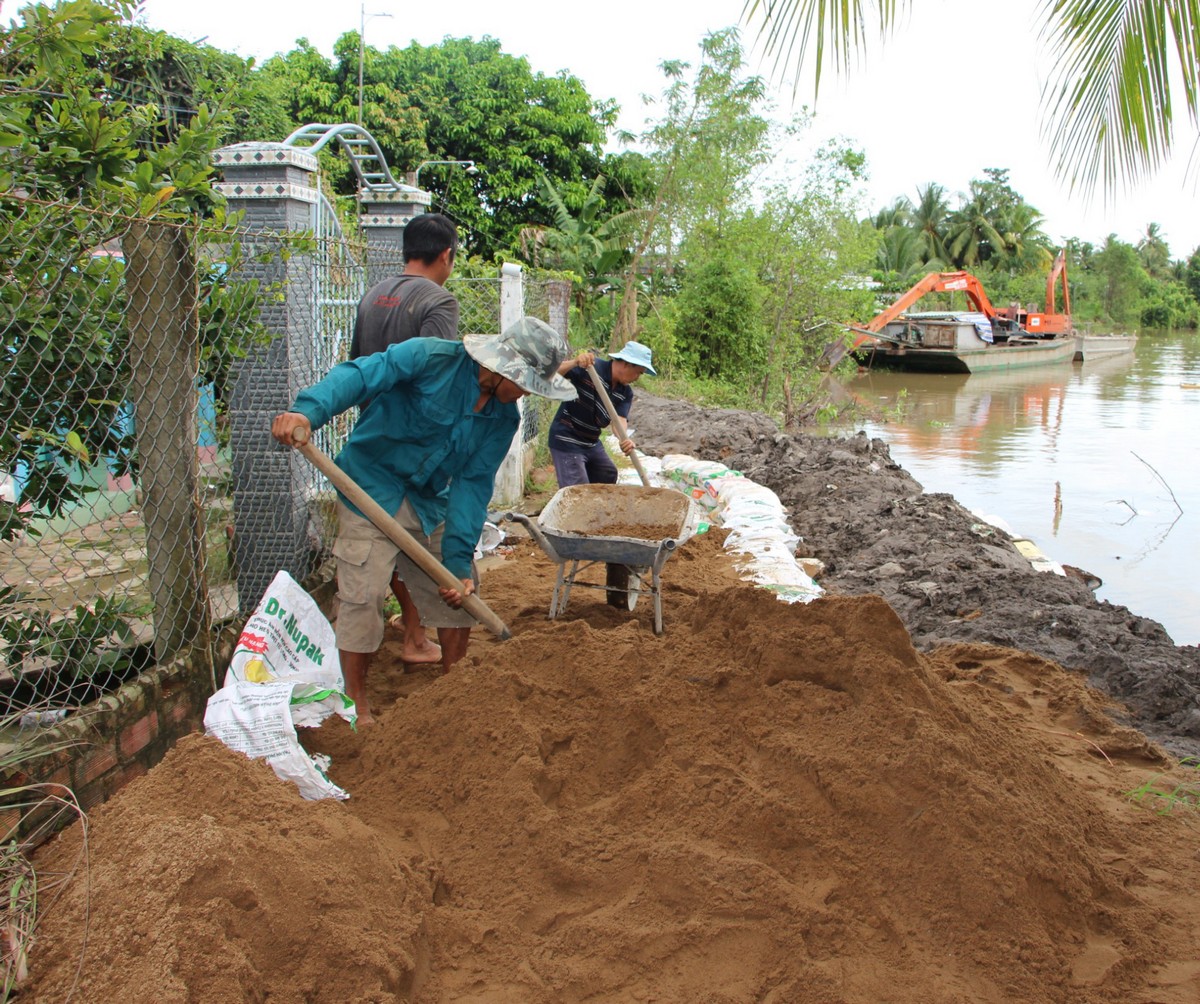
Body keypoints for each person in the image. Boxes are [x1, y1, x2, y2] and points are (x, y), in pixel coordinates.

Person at [272, 318, 577, 725]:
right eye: (525, 385)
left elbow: (472, 484)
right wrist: (307, 412)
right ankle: (357, 704)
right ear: (506, 369)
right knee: (364, 596)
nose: (525, 394)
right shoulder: (429, 358)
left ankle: (455, 692)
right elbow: (360, 376)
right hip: (369, 487)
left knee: (460, 590)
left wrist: (457, 562)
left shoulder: (504, 419)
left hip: (428, 501)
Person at [348, 212, 460, 667]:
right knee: (425, 541)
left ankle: (412, 633)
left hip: (372, 440)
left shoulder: (372, 295)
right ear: (446, 255)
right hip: (414, 449)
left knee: (385, 542)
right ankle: (417, 635)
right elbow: (436, 379)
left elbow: (358, 367)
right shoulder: (439, 302)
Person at [547, 341, 656, 487]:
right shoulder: (591, 368)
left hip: (591, 442)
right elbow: (550, 373)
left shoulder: (625, 392)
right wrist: (574, 362)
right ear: (626, 364)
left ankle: (592, 502)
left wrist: (624, 439)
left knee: (607, 473)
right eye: (639, 372)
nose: (637, 378)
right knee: (578, 489)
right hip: (567, 438)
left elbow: (619, 420)